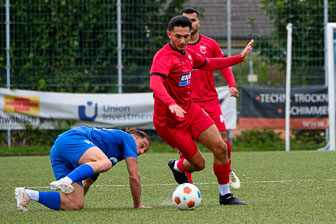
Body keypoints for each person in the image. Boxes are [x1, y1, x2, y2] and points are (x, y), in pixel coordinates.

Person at [149, 15, 253, 205]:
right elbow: (155, 83)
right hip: (169, 122)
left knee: (221, 147)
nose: (182, 41)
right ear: (169, 34)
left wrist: (238, 59)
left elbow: (209, 63)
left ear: (190, 35)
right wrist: (171, 104)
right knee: (199, 164)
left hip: (191, 111)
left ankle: (225, 195)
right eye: (177, 36)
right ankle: (178, 166)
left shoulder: (188, 53)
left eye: (186, 37)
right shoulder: (163, 57)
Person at [14, 126, 152, 211]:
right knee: (105, 163)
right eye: (142, 145)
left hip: (59, 151)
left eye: (144, 151)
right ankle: (66, 180)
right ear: (133, 137)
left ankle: (28, 194)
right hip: (72, 139)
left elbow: (88, 181)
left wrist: (76, 196)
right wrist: (137, 204)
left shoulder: (110, 155)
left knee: (75, 204)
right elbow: (134, 175)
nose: (141, 152)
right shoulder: (127, 138)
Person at [180, 8, 241, 189]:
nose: (190, 24)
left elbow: (223, 65)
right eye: (186, 21)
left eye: (193, 20)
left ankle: (227, 169)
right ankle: (188, 185)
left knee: (222, 138)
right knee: (186, 142)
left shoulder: (210, 44)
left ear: (199, 23)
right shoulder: (178, 47)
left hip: (210, 99)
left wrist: (232, 84)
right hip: (188, 101)